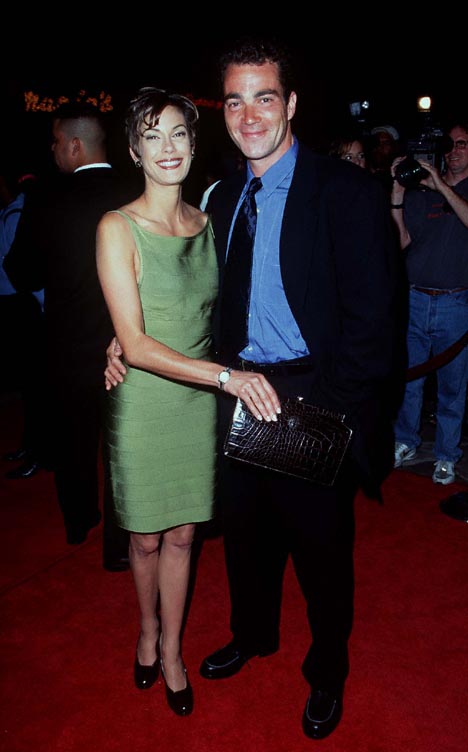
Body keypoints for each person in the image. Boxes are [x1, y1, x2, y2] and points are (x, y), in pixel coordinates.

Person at [105, 39, 399, 740]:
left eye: (264, 96)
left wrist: (337, 416)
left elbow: (375, 321)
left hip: (314, 395)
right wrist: (122, 336)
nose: (249, 113)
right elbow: (188, 295)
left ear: (290, 104)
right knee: (247, 539)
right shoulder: (222, 197)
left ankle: (327, 669)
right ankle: (253, 634)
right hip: (234, 395)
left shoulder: (346, 192)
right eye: (234, 99)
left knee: (323, 553)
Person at [96, 86, 280, 717]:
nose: (168, 147)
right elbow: (138, 342)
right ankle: (145, 630)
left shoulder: (212, 220)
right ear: (133, 149)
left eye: (179, 133)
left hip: (199, 405)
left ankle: (171, 648)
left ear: (195, 144)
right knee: (144, 541)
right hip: (146, 405)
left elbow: (230, 312)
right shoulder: (116, 227)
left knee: (183, 536)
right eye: (153, 135)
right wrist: (120, 345)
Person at [3, 103, 133, 569]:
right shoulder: (136, 189)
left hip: (69, 349)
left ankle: (79, 522)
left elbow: (18, 271)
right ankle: (120, 547)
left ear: (75, 145)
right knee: (124, 449)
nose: (54, 150)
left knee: (74, 442)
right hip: (131, 348)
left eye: (57, 142)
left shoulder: (46, 198)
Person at [390, 120, 468, 486]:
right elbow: (400, 240)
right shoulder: (420, 194)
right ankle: (405, 440)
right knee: (410, 381)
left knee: (453, 386)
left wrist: (441, 185)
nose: (454, 151)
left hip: (456, 303)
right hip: (416, 298)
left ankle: (446, 456)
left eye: (462, 145)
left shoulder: (461, 191)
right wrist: (397, 187)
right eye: (450, 145)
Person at [1, 169, 47, 479]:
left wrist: (43, 307)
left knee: (36, 386)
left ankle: (38, 452)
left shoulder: (20, 214)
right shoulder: (13, 212)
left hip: (25, 305)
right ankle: (30, 447)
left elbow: (27, 267)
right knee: (30, 385)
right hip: (16, 304)